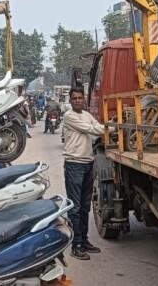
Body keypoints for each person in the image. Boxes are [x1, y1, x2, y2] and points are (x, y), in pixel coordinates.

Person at [62, 88, 104, 260]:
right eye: (75, 98)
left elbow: (96, 126)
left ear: (84, 100)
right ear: (71, 100)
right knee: (76, 207)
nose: (78, 101)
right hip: (74, 165)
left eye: (80, 98)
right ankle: (76, 245)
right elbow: (92, 130)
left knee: (85, 206)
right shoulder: (69, 116)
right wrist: (111, 127)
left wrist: (105, 127)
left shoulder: (87, 114)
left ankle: (84, 240)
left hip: (88, 163)